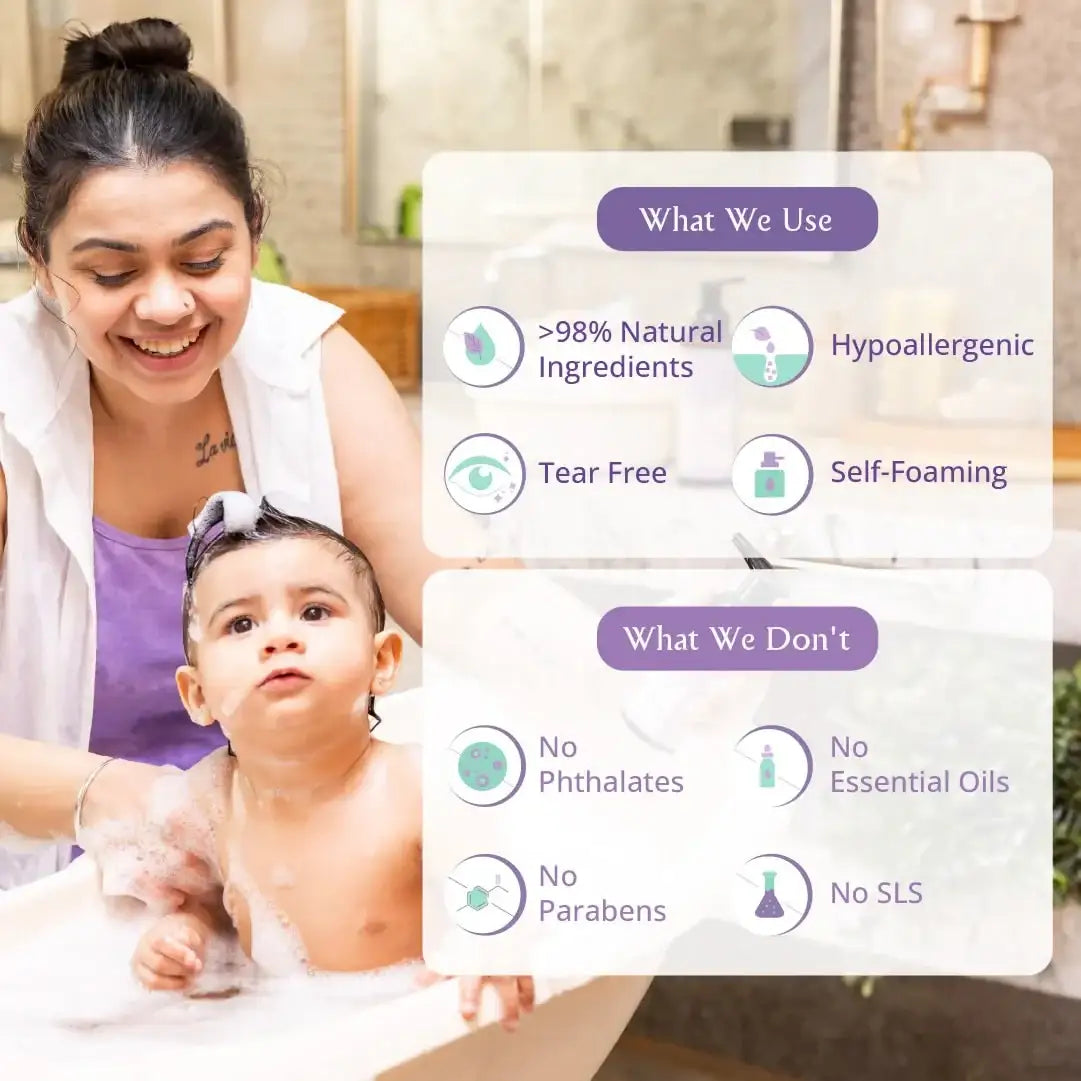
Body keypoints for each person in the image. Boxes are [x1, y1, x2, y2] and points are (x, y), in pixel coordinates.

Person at [0, 16, 499, 893]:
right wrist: (106, 795)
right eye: (112, 273)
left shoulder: (310, 367)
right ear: (40, 262)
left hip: (290, 875)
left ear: (253, 229)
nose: (165, 306)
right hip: (50, 900)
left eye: (203, 258)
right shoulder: (10, 410)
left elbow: (473, 605)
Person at [121, 492, 533, 1029]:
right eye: (241, 625)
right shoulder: (210, 801)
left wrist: (489, 942)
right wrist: (183, 936)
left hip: (403, 1030)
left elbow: (496, 885)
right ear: (197, 694)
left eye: (314, 612)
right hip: (277, 1034)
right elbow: (205, 902)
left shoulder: (416, 786)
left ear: (382, 662)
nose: (279, 637)